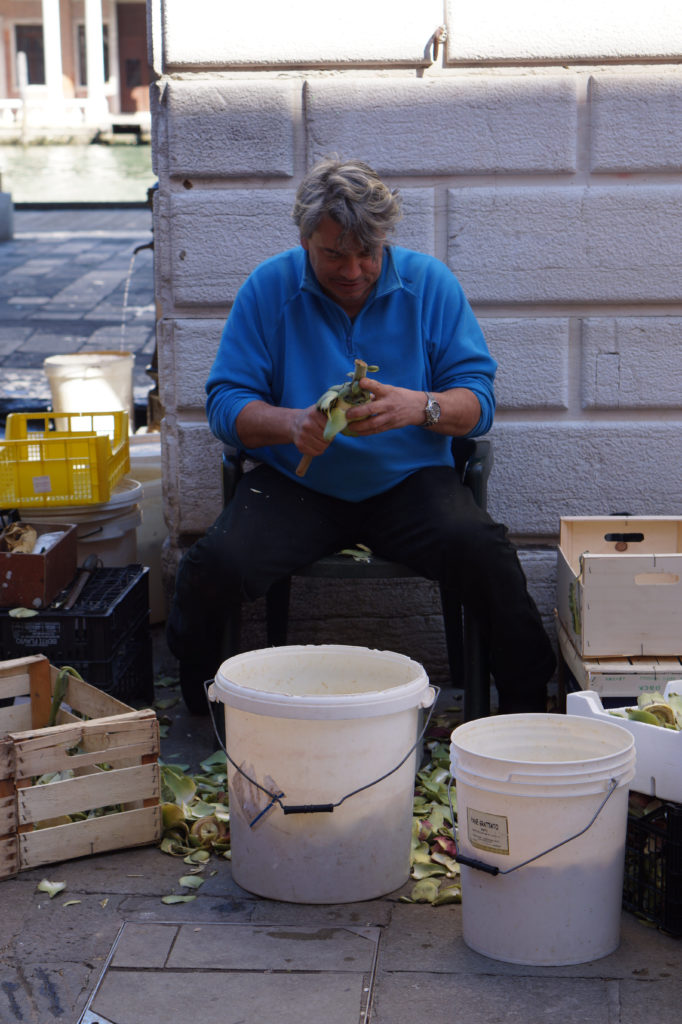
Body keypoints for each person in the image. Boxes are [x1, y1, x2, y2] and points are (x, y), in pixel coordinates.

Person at [166, 157, 556, 714]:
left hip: (410, 481)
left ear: (385, 241)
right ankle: (200, 708)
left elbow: (478, 404)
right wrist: (291, 424)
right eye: (333, 255)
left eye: (366, 254)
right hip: (298, 485)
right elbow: (225, 404)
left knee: (486, 555)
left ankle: (524, 708)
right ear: (304, 241)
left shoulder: (430, 285)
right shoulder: (269, 287)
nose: (352, 270)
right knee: (213, 566)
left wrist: (419, 407)